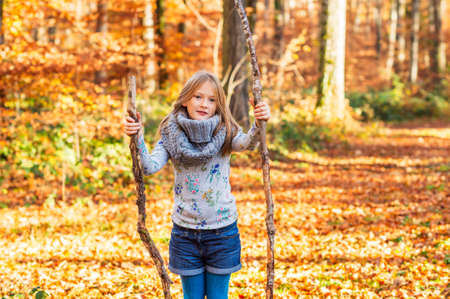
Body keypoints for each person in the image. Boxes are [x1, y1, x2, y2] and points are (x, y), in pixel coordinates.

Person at [123, 70, 270, 299]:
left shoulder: (225, 131)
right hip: (185, 235)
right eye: (198, 97)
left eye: (212, 100)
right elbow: (149, 167)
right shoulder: (171, 134)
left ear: (218, 105)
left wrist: (259, 122)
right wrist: (137, 136)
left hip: (222, 232)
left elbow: (247, 144)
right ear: (184, 99)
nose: (204, 104)